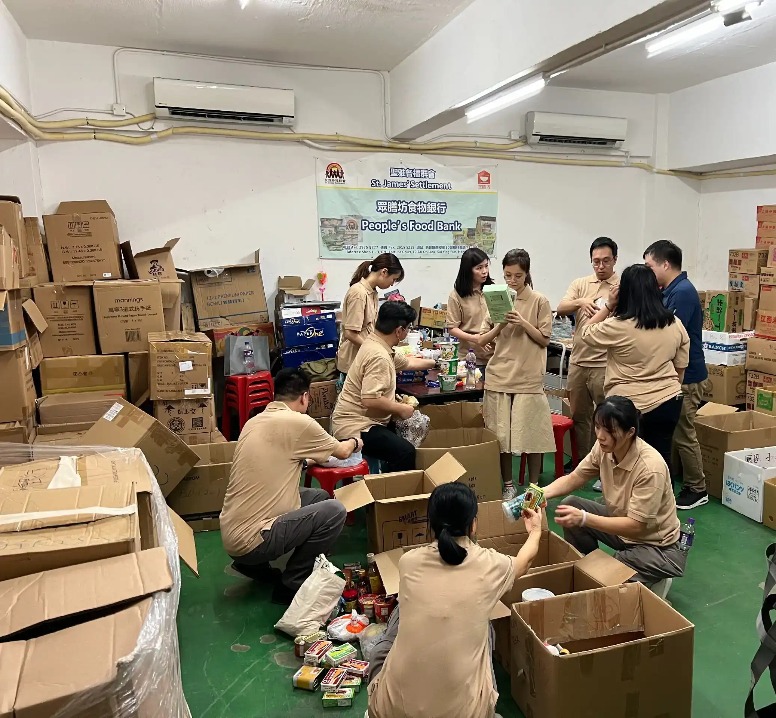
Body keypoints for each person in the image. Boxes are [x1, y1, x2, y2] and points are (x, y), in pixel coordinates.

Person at [366, 482, 543, 718]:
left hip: (391, 711)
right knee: (485, 629)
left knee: (398, 619)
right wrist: (536, 530)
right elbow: (525, 560)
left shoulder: (408, 562)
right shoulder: (491, 565)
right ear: (473, 524)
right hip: (465, 714)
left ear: (431, 523)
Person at [219, 368, 362, 605]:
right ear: (305, 397)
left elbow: (289, 459)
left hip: (232, 534)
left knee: (317, 497)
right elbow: (343, 452)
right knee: (334, 510)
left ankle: (255, 567)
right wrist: (356, 440)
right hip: (253, 540)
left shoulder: (255, 421)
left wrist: (313, 457)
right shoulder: (299, 422)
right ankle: (292, 584)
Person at [542, 396, 686, 595]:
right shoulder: (604, 448)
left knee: (614, 571)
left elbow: (636, 526)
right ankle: (591, 569)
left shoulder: (650, 468)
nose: (601, 436)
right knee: (571, 504)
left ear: (630, 432)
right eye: (598, 427)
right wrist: (540, 493)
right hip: (623, 529)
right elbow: (575, 477)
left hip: (657, 546)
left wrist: (585, 518)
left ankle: (653, 579)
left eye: (610, 430)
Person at [579, 264, 689, 473]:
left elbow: (584, 334)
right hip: (668, 401)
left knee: (628, 466)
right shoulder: (674, 322)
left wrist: (609, 306)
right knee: (661, 462)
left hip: (628, 408)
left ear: (624, 293)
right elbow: (680, 369)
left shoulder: (619, 325)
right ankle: (663, 504)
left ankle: (628, 505)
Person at [474, 249, 555, 499]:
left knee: (532, 437)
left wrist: (522, 322)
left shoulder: (539, 300)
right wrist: (500, 326)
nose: (512, 281)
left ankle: (533, 487)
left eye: (517, 276)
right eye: (507, 275)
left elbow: (544, 339)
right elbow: (481, 340)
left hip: (528, 378)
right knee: (502, 438)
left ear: (526, 273)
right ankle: (508, 484)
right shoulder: (497, 298)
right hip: (499, 376)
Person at [331, 301, 435, 472]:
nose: (408, 332)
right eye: (408, 328)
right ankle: (395, 495)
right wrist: (400, 408)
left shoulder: (374, 342)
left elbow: (407, 362)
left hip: (364, 420)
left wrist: (435, 362)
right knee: (405, 452)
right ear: (399, 331)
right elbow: (370, 399)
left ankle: (386, 479)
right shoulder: (379, 356)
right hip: (357, 426)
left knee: (406, 434)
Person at [644, 240, 709, 510]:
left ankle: (698, 487)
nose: (648, 271)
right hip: (674, 374)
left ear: (665, 264)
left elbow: (668, 335)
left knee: (684, 433)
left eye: (650, 266)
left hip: (688, 376)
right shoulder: (669, 290)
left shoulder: (681, 293)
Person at [556, 237, 620, 475]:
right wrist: (580, 302)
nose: (601, 266)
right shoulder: (581, 283)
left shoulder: (621, 286)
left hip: (606, 363)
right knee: (579, 416)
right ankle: (582, 463)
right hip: (579, 360)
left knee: (608, 418)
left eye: (605, 261)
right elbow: (561, 307)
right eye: (596, 262)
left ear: (615, 259)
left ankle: (608, 466)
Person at [337, 253, 405, 376]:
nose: (391, 284)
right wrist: (377, 351)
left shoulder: (372, 293)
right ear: (384, 272)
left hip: (365, 359)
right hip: (353, 363)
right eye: (393, 279)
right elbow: (350, 333)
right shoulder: (359, 293)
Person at [446, 247, 494, 377]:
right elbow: (452, 328)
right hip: (471, 359)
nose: (484, 271)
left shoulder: (493, 291)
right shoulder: (456, 295)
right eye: (479, 268)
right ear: (468, 271)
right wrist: (476, 339)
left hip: (494, 358)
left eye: (486, 266)